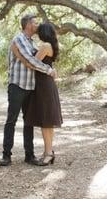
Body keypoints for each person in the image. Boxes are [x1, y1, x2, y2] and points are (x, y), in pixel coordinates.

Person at [0, 14, 57, 167]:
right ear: (28, 25)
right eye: (35, 22)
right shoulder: (19, 39)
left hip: (30, 86)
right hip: (17, 85)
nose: (37, 25)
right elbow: (31, 62)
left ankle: (29, 155)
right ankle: (6, 155)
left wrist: (49, 67)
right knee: (11, 120)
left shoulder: (32, 43)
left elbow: (38, 59)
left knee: (28, 122)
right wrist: (49, 70)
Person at [23, 22, 63, 166]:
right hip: (44, 84)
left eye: (39, 31)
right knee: (47, 122)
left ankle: (48, 153)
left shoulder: (45, 46)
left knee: (46, 122)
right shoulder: (49, 46)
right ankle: (49, 152)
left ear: (43, 33)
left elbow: (33, 63)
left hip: (44, 86)